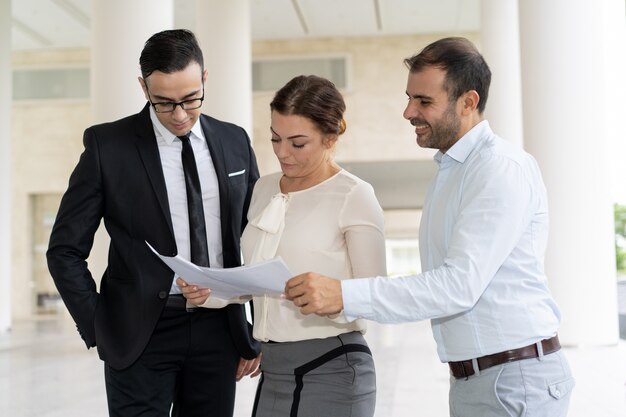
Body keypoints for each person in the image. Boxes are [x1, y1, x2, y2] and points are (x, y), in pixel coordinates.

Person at [284, 37, 575, 417]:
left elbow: (457, 285)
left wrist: (345, 294)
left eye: (424, 101)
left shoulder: (499, 169)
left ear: (468, 102)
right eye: (409, 98)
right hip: (478, 379)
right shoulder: (451, 171)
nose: (408, 112)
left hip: (514, 382)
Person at [46, 29, 261, 417]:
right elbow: (64, 249)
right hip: (140, 333)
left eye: (190, 100)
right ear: (143, 87)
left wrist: (254, 331)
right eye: (164, 103)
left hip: (219, 330)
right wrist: (98, 324)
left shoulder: (235, 141)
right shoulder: (107, 146)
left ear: (205, 79)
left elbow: (256, 239)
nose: (179, 115)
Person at [178, 75, 387, 417]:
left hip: (334, 365)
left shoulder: (354, 194)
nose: (282, 152)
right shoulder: (263, 188)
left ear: (330, 137)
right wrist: (212, 292)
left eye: (298, 143)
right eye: (275, 138)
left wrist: (330, 297)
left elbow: (377, 294)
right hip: (273, 370)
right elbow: (258, 280)